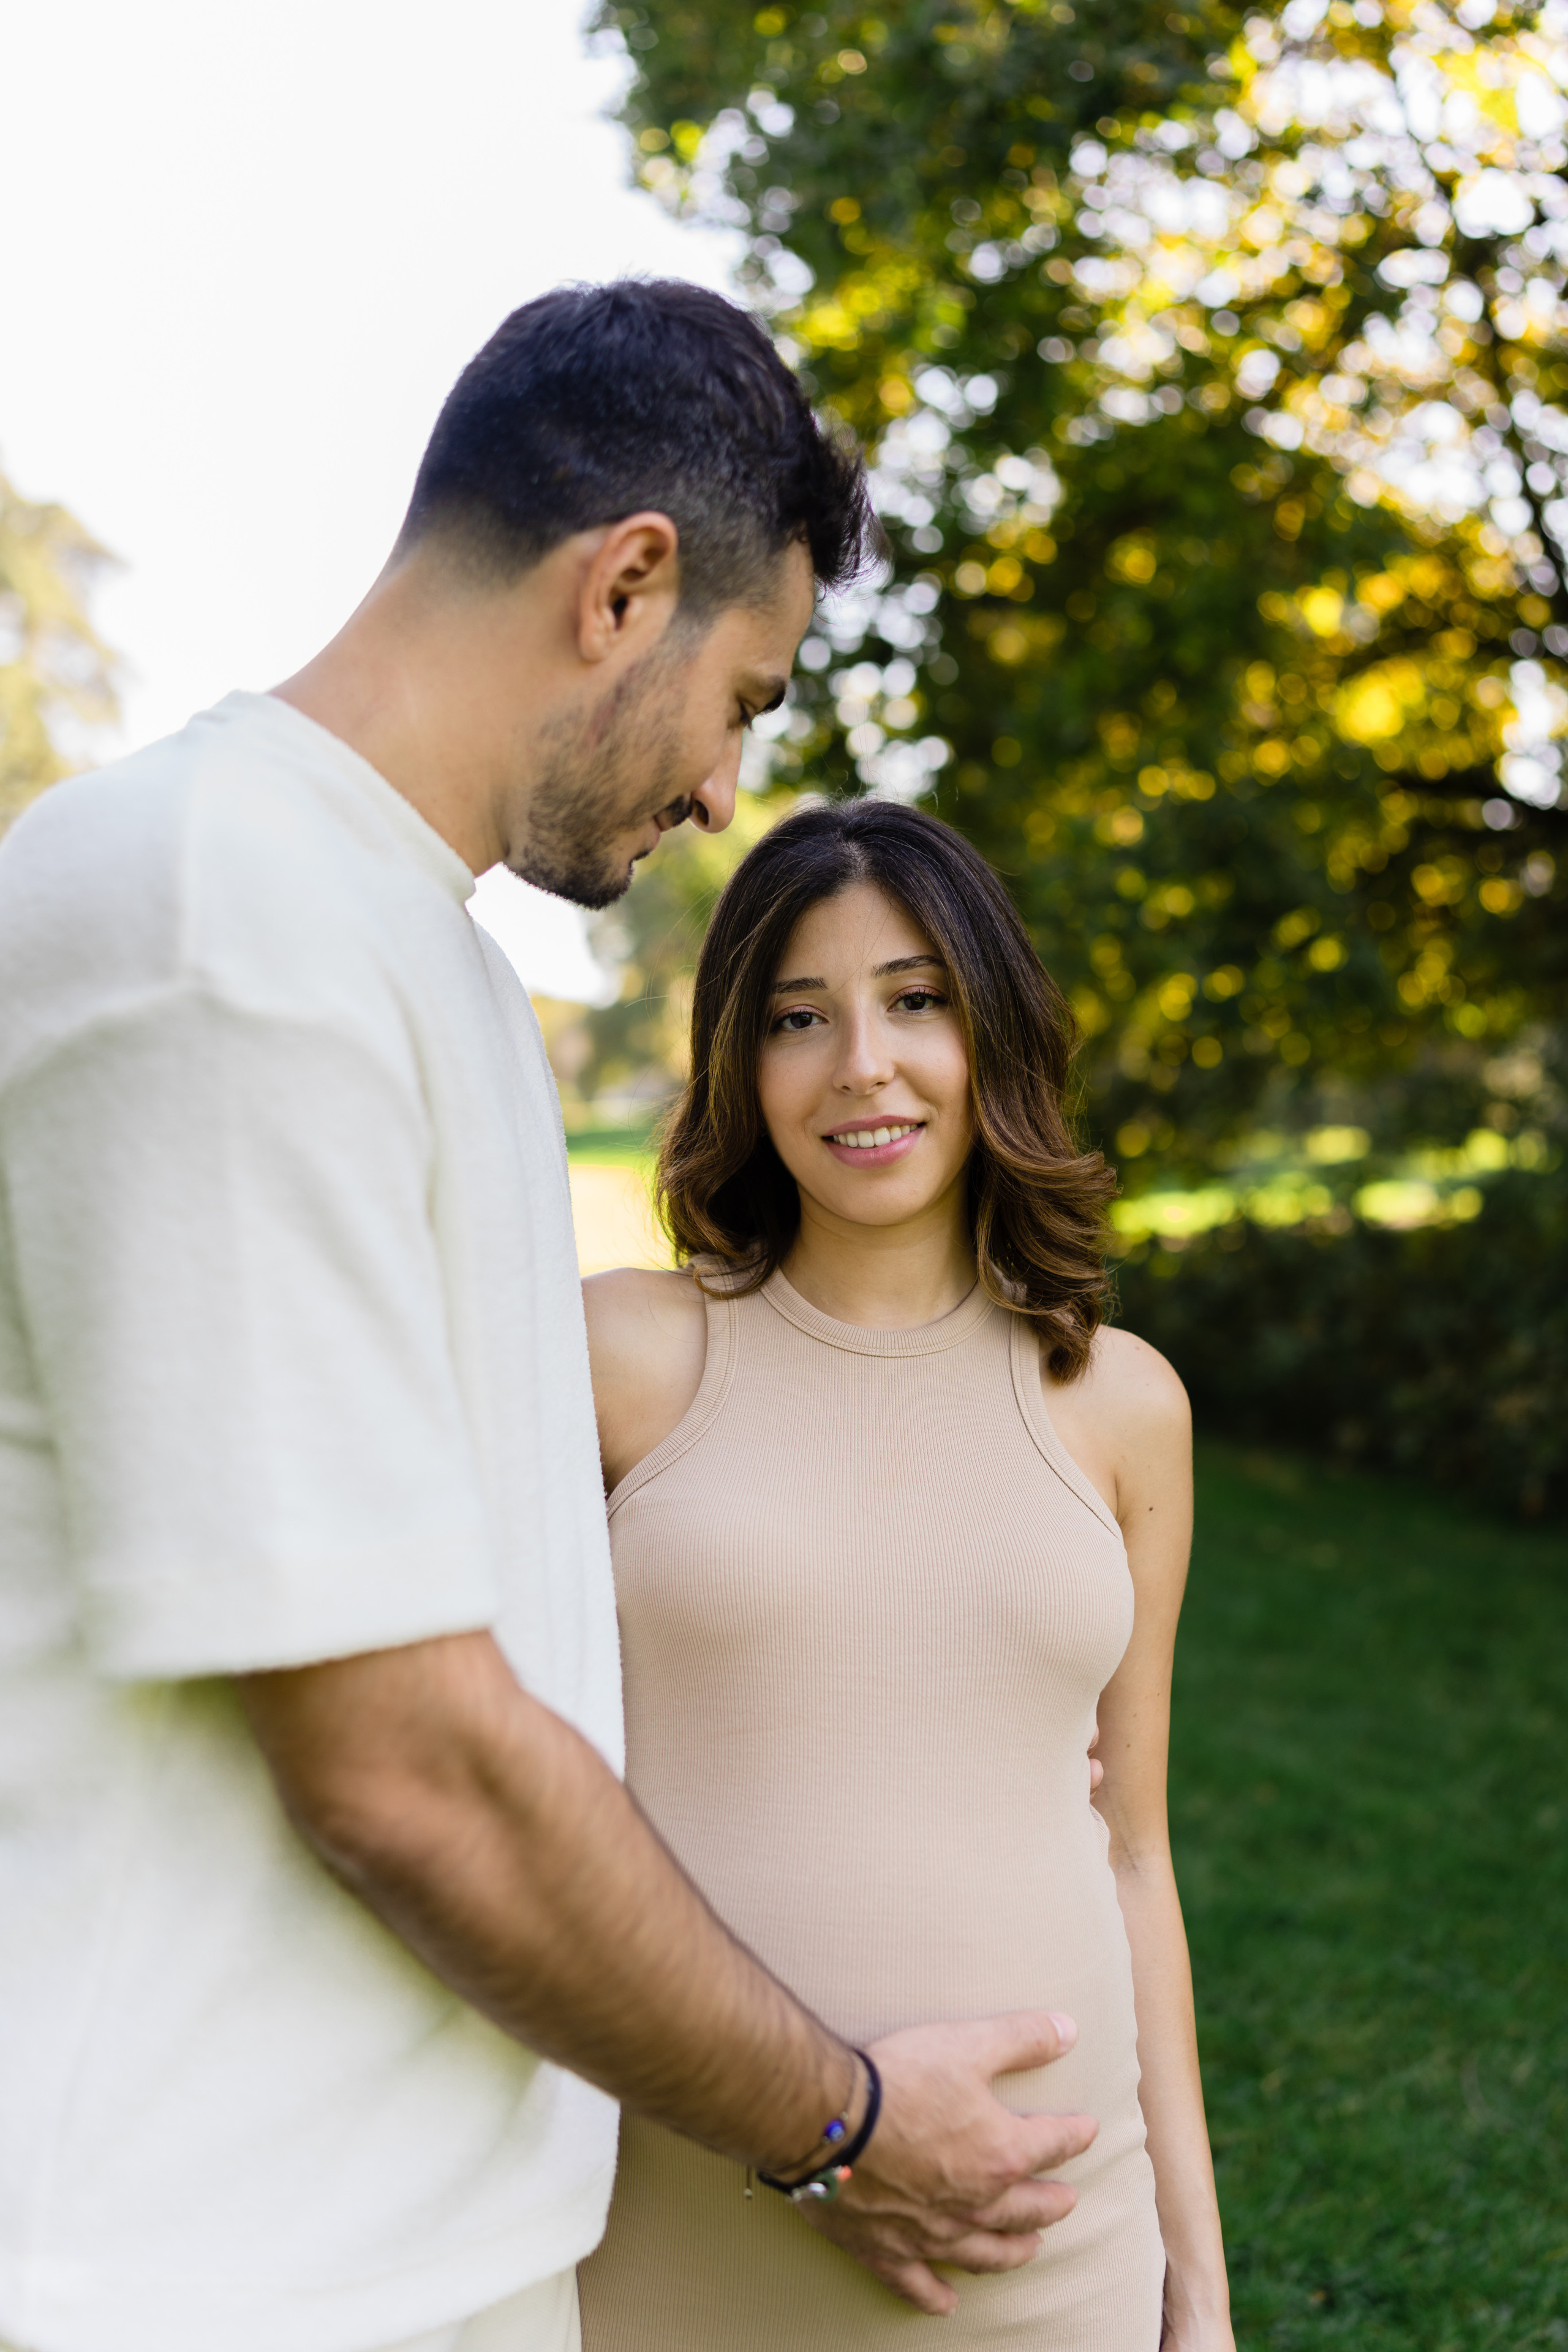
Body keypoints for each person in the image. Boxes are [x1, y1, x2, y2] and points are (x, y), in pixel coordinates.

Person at [0, 285, 1095, 2352]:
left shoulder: (403, 949)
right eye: (745, 701)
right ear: (627, 588)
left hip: (418, 2248)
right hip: (205, 2269)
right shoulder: (214, 924)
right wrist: (845, 2123)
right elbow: (403, 1762)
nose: (716, 794)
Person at [578, 799, 1235, 2350]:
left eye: (915, 1000)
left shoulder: (1124, 1404)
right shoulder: (619, 1357)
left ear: (988, 1031)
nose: (861, 1063)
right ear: (741, 1062)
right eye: (799, 1017)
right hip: (677, 2235)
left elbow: (1131, 1851)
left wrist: (1194, 2284)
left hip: (1050, 2249)